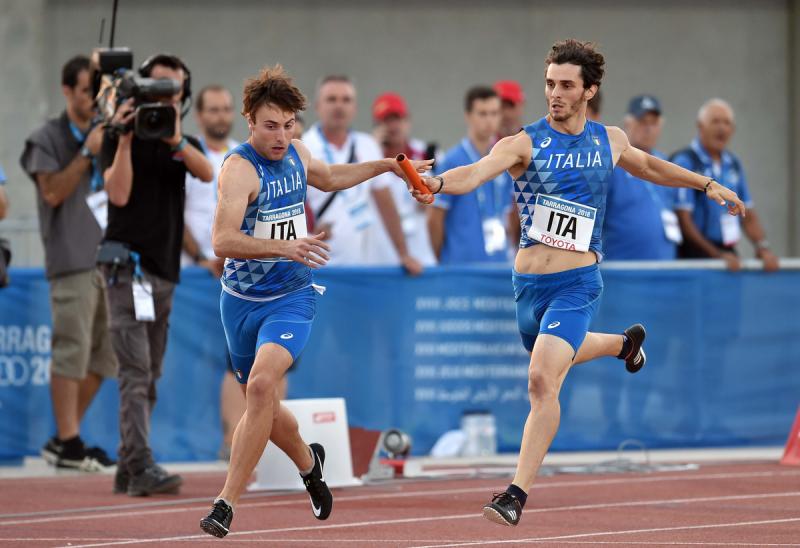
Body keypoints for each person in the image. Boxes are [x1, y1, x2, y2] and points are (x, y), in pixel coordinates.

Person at [409, 39, 745, 527]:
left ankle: (515, 494)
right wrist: (436, 184)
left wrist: (707, 184)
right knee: (557, 351)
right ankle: (621, 344)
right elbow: (475, 173)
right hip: (528, 287)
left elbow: (651, 166)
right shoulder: (523, 141)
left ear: (589, 89)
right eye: (549, 84)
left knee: (543, 378)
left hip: (578, 283)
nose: (555, 94)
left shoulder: (608, 140)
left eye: (566, 85)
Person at [199, 65, 431, 538]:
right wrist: (283, 245)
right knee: (259, 398)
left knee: (263, 387)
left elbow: (330, 176)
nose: (281, 136)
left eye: (288, 125)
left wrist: (385, 166)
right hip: (240, 301)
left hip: (292, 297)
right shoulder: (239, 169)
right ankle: (310, 463)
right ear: (249, 121)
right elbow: (221, 240)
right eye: (270, 126)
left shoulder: (299, 153)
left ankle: (226, 502)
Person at [101, 53, 213, 496]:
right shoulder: (120, 132)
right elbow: (118, 193)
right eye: (158, 85)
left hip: (164, 271)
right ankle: (140, 464)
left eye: (174, 87)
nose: (166, 94)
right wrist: (126, 138)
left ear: (183, 94)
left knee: (150, 373)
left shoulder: (181, 143)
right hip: (127, 266)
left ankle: (129, 463)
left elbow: (207, 173)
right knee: (135, 369)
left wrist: (176, 139)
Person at [19, 55, 117, 471]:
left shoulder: (109, 132)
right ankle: (70, 439)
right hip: (72, 260)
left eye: (98, 93)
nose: (92, 101)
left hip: (110, 260)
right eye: (84, 92)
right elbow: (52, 193)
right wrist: (85, 151)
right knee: (71, 350)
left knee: (106, 357)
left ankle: (64, 439)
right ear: (66, 90)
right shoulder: (47, 136)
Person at [181, 85, 246, 461]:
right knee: (204, 365)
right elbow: (179, 212)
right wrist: (202, 256)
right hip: (197, 274)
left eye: (226, 109)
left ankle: (242, 441)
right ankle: (226, 441)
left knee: (238, 358)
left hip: (233, 272)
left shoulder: (241, 156)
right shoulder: (189, 158)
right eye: (214, 110)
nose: (221, 116)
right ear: (200, 116)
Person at [303, 75, 422, 273]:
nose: (339, 106)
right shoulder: (303, 146)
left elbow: (386, 203)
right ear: (317, 106)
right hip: (313, 265)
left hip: (358, 266)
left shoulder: (367, 145)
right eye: (331, 99)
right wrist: (307, 231)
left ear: (355, 108)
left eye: (346, 100)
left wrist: (403, 253)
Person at [672, 99, 779, 271]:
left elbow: (748, 214)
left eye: (727, 123)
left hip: (727, 255)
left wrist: (762, 247)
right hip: (693, 258)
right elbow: (683, 220)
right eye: (715, 121)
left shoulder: (733, 164)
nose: (721, 128)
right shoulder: (686, 161)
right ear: (700, 126)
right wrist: (717, 255)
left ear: (733, 130)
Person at [428, 86, 514, 264]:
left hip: (498, 265)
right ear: (468, 116)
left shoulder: (504, 159)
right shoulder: (452, 161)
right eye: (482, 114)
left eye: (494, 113)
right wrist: (442, 260)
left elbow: (508, 214)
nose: (489, 120)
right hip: (461, 267)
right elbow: (435, 220)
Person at [603, 95, 681, 260]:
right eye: (642, 122)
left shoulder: (665, 163)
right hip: (623, 272)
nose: (648, 129)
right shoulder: (613, 163)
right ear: (627, 124)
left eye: (653, 123)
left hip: (664, 271)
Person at [372, 91, 437, 266]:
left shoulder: (426, 153)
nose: (393, 126)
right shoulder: (369, 158)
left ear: (407, 121)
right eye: (386, 121)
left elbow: (440, 201)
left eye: (397, 119)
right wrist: (374, 149)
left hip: (422, 251)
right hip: (382, 255)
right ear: (377, 126)